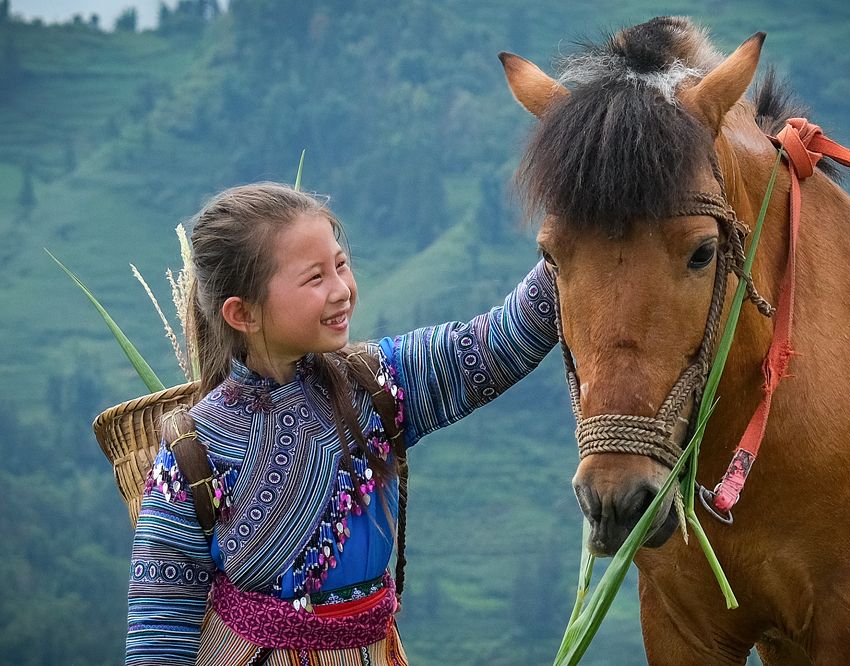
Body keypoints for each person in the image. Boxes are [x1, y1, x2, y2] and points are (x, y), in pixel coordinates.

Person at [125, 182, 557, 665]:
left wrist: (569, 237)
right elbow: (158, 629)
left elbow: (493, 344)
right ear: (242, 313)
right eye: (315, 278)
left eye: (341, 265)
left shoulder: (378, 384)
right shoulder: (193, 450)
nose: (341, 289)